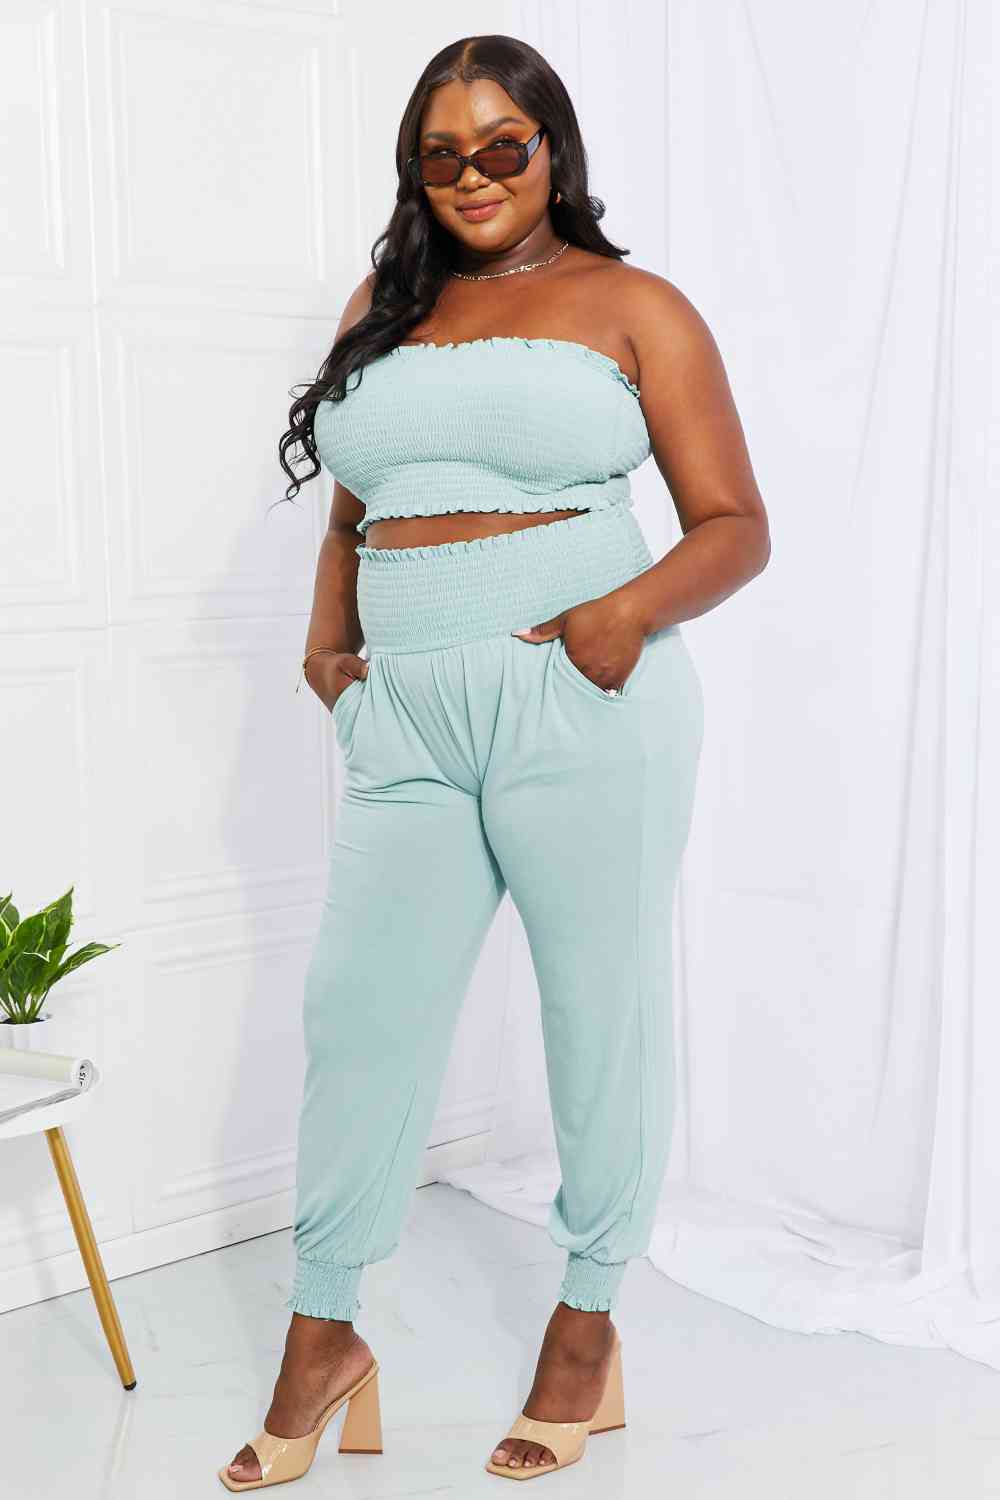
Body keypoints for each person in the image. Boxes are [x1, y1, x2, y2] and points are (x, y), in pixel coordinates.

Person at [220, 32, 769, 1492]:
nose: (472, 176)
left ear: (554, 152)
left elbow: (734, 525)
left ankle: (586, 1328)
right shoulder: (385, 309)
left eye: (502, 146)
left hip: (580, 696)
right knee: (359, 1020)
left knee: (601, 1017)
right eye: (441, 154)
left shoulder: (634, 306)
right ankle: (323, 1336)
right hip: (405, 711)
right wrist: (329, 644)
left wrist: (617, 618)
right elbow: (355, 508)